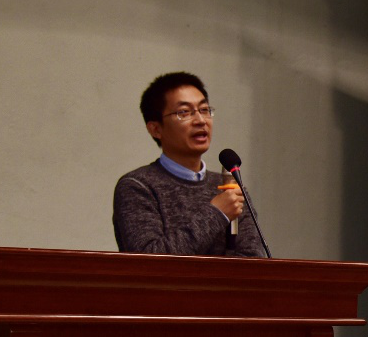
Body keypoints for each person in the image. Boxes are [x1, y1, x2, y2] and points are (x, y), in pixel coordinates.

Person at [113, 72, 266, 257]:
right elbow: (149, 258)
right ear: (156, 129)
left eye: (204, 110)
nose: (200, 120)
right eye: (184, 112)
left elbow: (253, 260)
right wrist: (217, 213)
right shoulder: (137, 186)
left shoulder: (230, 187)